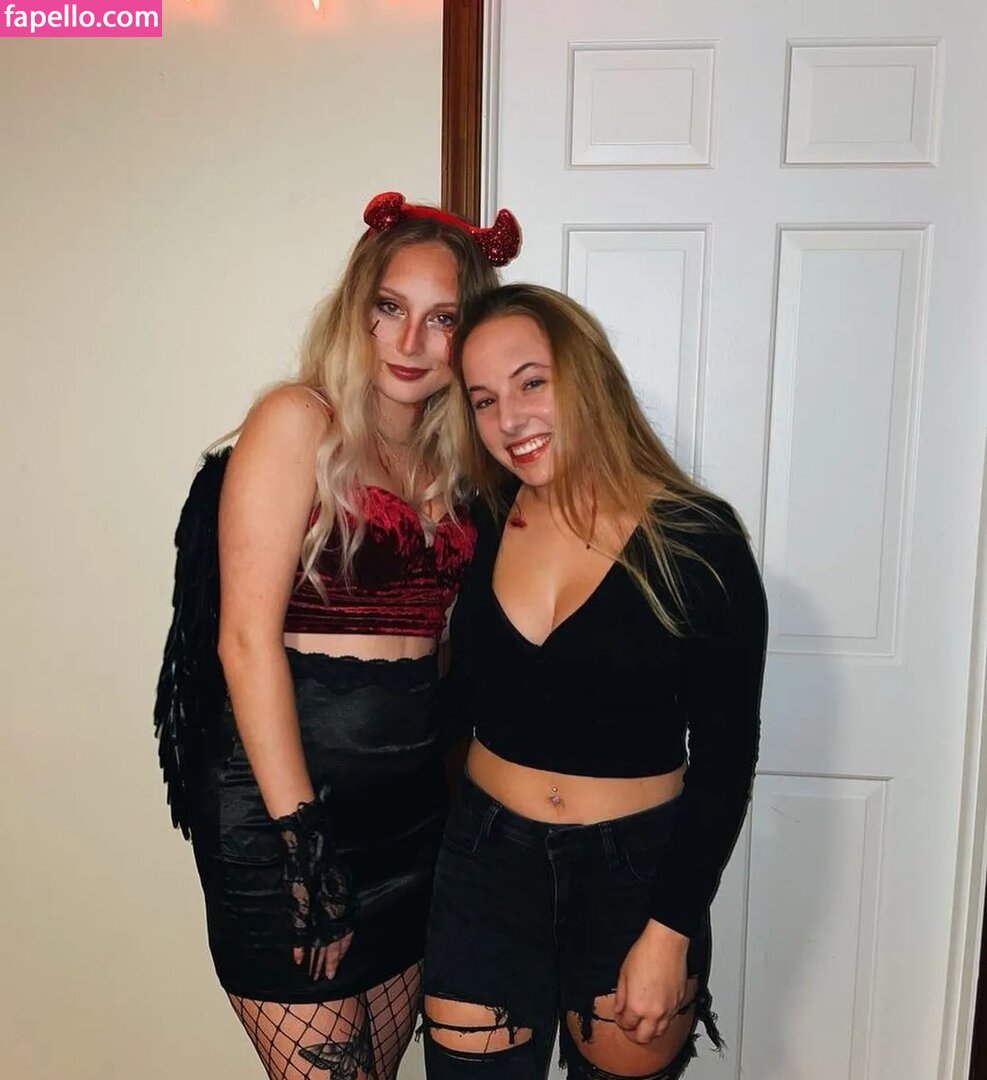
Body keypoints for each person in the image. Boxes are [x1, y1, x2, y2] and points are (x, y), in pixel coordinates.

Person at [153, 193, 521, 1080]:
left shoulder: (458, 460)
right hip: (285, 818)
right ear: (358, 307)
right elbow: (243, 641)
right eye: (391, 308)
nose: (410, 342)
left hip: (409, 817)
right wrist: (303, 845)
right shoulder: (297, 420)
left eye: (442, 319)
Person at [421, 284, 768, 1080]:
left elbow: (725, 758)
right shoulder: (478, 523)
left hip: (634, 880)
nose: (509, 420)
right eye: (483, 399)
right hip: (484, 865)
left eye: (531, 382)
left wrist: (668, 930)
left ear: (586, 376)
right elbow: (445, 706)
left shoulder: (695, 538)